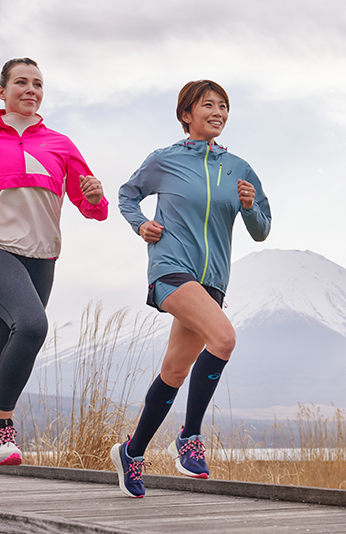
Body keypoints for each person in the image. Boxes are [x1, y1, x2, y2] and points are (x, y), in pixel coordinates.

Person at [0, 58, 108, 498]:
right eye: (21, 82)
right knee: (31, 326)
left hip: (41, 260)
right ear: (2, 90)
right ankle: (1, 428)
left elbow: (90, 206)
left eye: (38, 84)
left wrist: (96, 197)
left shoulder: (61, 144)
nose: (31, 90)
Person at [111, 80, 271, 498]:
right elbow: (128, 196)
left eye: (223, 106)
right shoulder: (164, 160)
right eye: (208, 105)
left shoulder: (239, 168)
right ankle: (190, 438)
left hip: (213, 280)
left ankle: (132, 451)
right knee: (225, 337)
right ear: (187, 114)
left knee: (176, 371)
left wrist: (251, 207)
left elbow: (261, 231)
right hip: (171, 269)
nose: (217, 112)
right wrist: (140, 224)